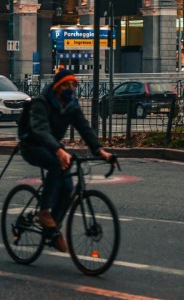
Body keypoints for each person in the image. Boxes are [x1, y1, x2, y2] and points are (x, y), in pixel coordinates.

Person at [18, 67, 114, 252]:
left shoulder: (71, 106)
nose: (71, 88)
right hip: (32, 145)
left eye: (73, 85)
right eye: (67, 85)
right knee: (56, 164)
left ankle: (52, 232)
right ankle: (44, 212)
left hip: (52, 146)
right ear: (58, 86)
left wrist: (99, 150)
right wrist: (58, 150)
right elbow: (40, 130)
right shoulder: (42, 102)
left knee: (68, 189)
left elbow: (84, 128)